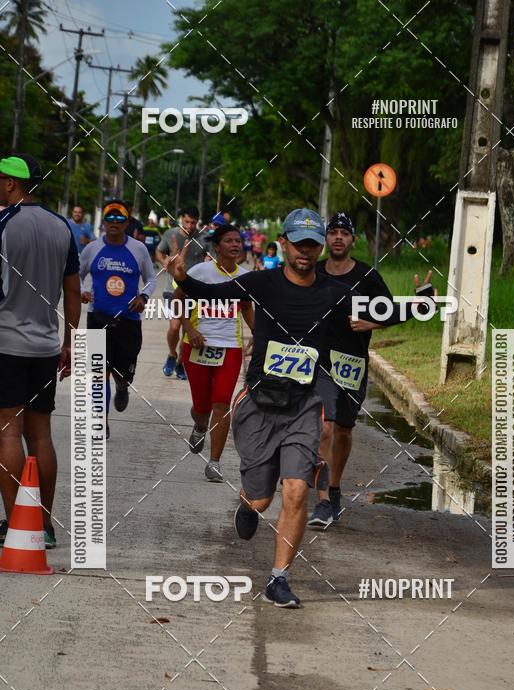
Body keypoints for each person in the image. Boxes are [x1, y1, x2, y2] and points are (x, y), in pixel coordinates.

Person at [167, 208, 403, 609]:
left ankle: (279, 577)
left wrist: (408, 311)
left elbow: (385, 311)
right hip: (260, 405)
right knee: (261, 500)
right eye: (299, 244)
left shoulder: (332, 292)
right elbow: (215, 295)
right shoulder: (263, 282)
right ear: (285, 244)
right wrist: (182, 278)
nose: (306, 252)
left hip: (304, 405)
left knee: (295, 490)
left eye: (313, 244)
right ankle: (247, 500)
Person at [0, 153, 81, 549]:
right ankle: (45, 526)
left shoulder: (3, 225)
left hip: (7, 343)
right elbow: (72, 289)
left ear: (13, 183)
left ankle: (17, 523)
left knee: (7, 432)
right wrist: (70, 340)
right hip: (46, 346)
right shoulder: (61, 226)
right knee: (41, 434)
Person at [308, 212, 392, 528]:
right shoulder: (314, 272)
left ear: (353, 239)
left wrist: (374, 321)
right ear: (325, 239)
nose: (338, 237)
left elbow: (392, 309)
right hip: (319, 363)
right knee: (325, 428)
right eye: (333, 232)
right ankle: (323, 502)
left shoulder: (367, 276)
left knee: (343, 430)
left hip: (353, 364)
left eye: (344, 232)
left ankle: (334, 486)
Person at [172, 224, 254, 482]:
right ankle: (198, 424)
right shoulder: (200, 272)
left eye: (238, 240)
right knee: (202, 406)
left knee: (222, 403)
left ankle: (215, 462)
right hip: (197, 346)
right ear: (216, 247)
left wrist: (258, 334)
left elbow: (246, 308)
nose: (235, 245)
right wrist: (187, 328)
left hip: (230, 347)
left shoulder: (245, 276)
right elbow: (177, 298)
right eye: (228, 241)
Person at [79, 200, 156, 439]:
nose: (114, 223)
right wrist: (82, 290)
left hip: (129, 321)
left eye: (119, 219)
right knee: (99, 374)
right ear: (103, 222)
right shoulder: (92, 249)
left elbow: (152, 279)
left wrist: (143, 296)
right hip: (97, 317)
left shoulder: (138, 249)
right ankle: (101, 422)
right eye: (110, 218)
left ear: (127, 221)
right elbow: (76, 275)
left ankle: (123, 387)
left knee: (122, 373)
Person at [155, 205, 208, 379]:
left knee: (188, 332)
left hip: (195, 291)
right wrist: (164, 261)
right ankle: (172, 354)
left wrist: (209, 260)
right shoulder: (171, 234)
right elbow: (159, 251)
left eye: (193, 222)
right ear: (181, 219)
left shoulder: (204, 238)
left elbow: (213, 257)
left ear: (197, 222)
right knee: (175, 325)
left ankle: (181, 363)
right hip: (173, 289)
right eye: (186, 221)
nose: (190, 226)